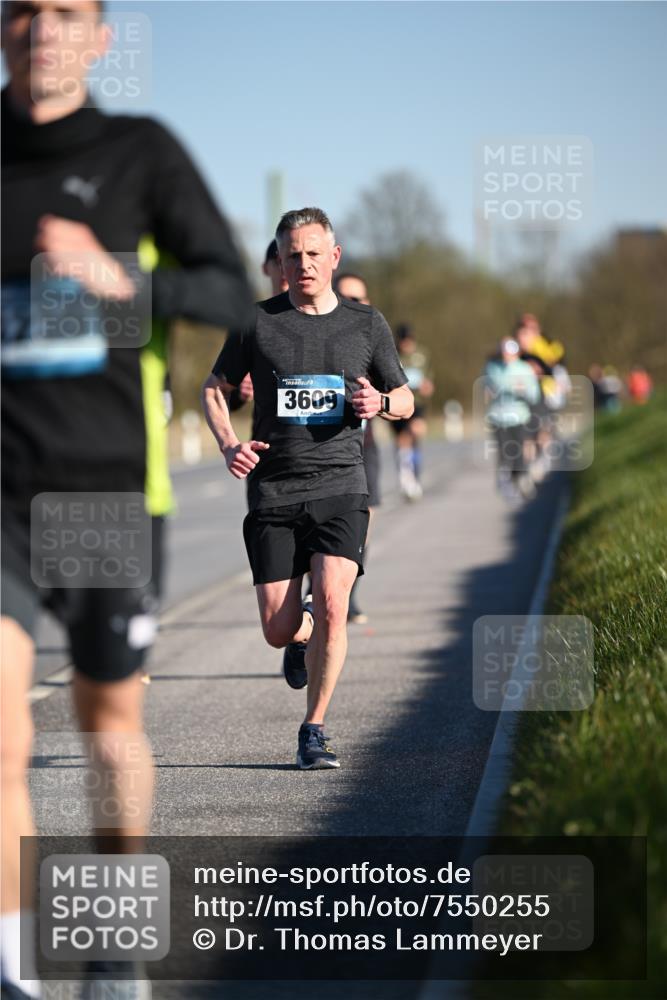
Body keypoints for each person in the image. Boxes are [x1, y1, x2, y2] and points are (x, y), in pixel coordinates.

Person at [0, 2, 254, 997]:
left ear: (100, 37)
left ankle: (114, 950)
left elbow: (229, 292)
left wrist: (121, 284)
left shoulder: (138, 153)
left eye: (66, 12)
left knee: (106, 726)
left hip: (104, 484)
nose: (42, 28)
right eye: (23, 9)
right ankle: (14, 971)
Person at [202, 208, 414, 770]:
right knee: (277, 629)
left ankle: (313, 730)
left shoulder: (366, 324)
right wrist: (228, 444)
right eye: (293, 254)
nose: (304, 264)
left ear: (334, 257)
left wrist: (381, 402)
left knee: (334, 600)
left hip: (342, 483)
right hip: (274, 489)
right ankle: (303, 631)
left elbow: (406, 397)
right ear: (279, 260)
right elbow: (215, 388)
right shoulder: (255, 321)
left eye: (314, 253)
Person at [333, 272, 378, 625]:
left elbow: (400, 394)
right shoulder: (319, 336)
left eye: (358, 298)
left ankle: (349, 595)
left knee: (365, 520)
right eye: (344, 296)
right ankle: (320, 593)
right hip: (322, 451)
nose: (352, 303)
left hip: (364, 447)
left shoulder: (373, 337)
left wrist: (383, 400)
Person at [484, 336, 541, 501]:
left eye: (509, 353)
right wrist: (495, 390)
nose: (506, 356)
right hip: (498, 417)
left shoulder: (525, 369)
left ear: (516, 353)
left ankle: (521, 478)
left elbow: (534, 395)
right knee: (504, 452)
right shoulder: (491, 367)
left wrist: (522, 390)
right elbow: (486, 388)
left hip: (519, 417)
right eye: (504, 352)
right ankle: (506, 482)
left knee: (519, 451)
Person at [391, 323, 434, 500]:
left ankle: (414, 475)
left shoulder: (422, 355)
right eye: (403, 341)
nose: (406, 344)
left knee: (416, 430)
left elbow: (429, 379)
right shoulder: (391, 355)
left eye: (409, 340)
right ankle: (406, 477)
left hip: (417, 403)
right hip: (397, 402)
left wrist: (427, 386)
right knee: (402, 441)